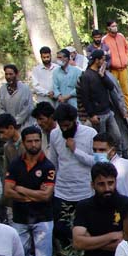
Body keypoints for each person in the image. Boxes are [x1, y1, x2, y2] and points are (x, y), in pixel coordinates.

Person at [3, 125, 55, 256]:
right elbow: (8, 191)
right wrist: (34, 195)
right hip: (20, 217)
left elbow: (46, 195)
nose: (34, 144)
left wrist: (22, 189)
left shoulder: (48, 166)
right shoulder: (15, 165)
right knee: (17, 254)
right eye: (30, 141)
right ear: (24, 143)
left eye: (37, 141)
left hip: (43, 218)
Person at [48, 104, 98, 246]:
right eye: (61, 125)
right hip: (62, 192)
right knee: (61, 230)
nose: (64, 129)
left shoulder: (90, 134)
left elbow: (96, 162)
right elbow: (53, 162)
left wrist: (76, 150)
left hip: (84, 192)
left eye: (67, 125)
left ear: (75, 121)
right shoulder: (54, 134)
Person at [92, 132, 128, 202]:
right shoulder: (96, 168)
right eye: (95, 150)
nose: (97, 153)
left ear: (112, 151)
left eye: (102, 150)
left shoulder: (125, 167)